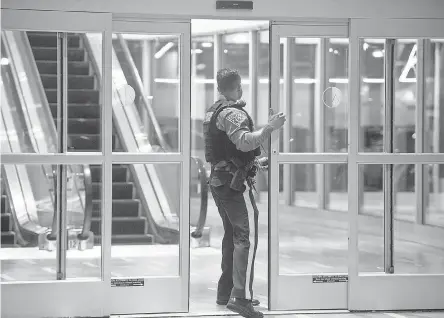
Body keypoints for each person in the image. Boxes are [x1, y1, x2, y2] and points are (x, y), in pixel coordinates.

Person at [203, 68, 286, 318]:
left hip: (220, 181)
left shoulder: (214, 109)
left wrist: (256, 162)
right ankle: (241, 298)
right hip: (231, 185)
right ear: (238, 86)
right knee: (244, 238)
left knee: (231, 236)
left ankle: (225, 292)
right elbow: (244, 141)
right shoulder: (232, 113)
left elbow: (226, 150)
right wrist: (270, 128)